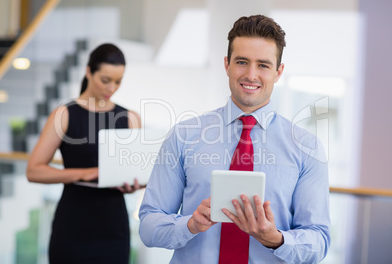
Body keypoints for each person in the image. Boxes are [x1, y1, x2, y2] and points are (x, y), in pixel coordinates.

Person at [138, 15, 330, 263]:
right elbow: (148, 225)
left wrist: (275, 238)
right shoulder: (184, 136)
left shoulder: (307, 148)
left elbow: (319, 241)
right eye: (242, 62)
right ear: (227, 65)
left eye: (263, 65)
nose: (251, 75)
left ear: (278, 72)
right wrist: (190, 225)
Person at [26, 43, 142, 263]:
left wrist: (134, 184)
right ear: (88, 72)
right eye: (105, 80)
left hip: (113, 227)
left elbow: (136, 171)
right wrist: (84, 173)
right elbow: (34, 171)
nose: (112, 88)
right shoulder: (65, 114)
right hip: (73, 225)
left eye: (118, 82)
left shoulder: (130, 118)